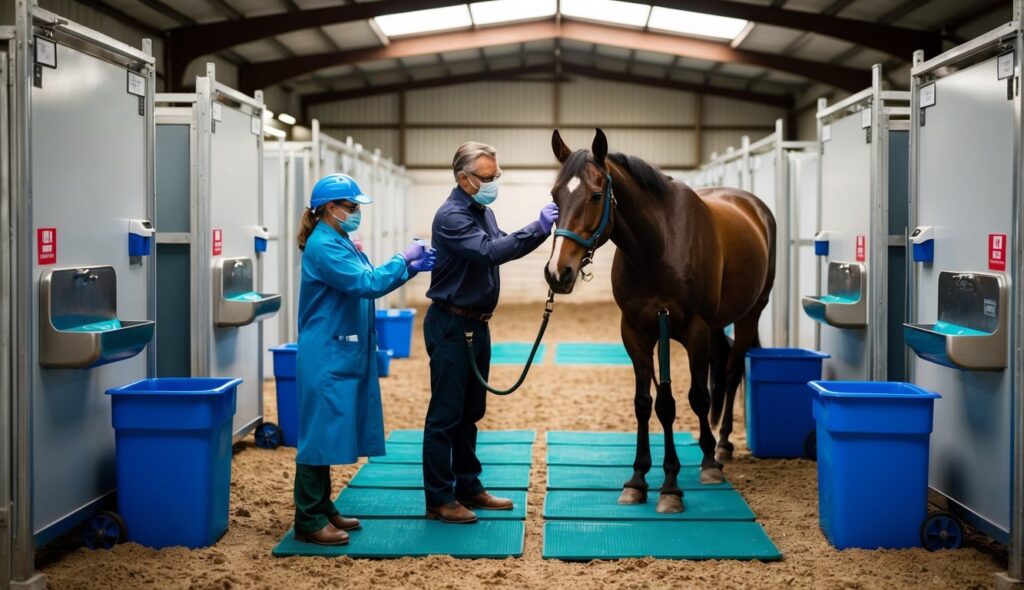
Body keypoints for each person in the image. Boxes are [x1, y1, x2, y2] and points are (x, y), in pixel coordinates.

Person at [293, 173, 436, 545]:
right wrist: (402, 259)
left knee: (328, 429)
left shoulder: (336, 238)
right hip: (325, 351)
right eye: (351, 206)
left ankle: (323, 507)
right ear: (329, 208)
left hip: (337, 347)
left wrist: (407, 269)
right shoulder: (325, 245)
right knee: (317, 434)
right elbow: (367, 283)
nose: (356, 212)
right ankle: (307, 519)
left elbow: (367, 279)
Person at [422, 142, 559, 523]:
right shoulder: (452, 216)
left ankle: (468, 485)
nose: (493, 182)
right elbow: (489, 252)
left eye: (495, 176)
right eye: (486, 177)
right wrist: (538, 227)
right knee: (445, 416)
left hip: (476, 325)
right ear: (463, 178)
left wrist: (538, 232)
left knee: (470, 411)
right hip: (451, 324)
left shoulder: (482, 211)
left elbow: (497, 245)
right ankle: (438, 499)